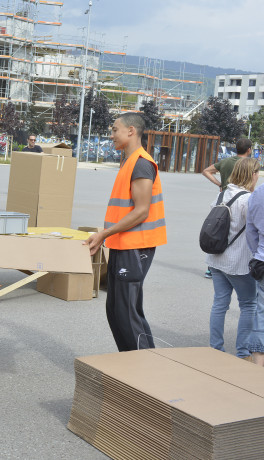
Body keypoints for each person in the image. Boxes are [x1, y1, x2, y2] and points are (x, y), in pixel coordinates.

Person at [85, 113, 167, 352]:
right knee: (116, 311)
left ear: (131, 131)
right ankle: (131, 366)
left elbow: (141, 212)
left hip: (135, 246)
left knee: (126, 312)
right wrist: (107, 235)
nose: (111, 135)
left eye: (114, 130)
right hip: (123, 244)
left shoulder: (141, 163)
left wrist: (103, 234)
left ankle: (143, 367)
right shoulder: (129, 162)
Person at [205, 157, 259, 359]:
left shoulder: (223, 194)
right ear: (252, 175)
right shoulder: (248, 200)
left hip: (216, 259)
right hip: (238, 262)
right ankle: (243, 351)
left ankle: (215, 348)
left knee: (220, 303)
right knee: (248, 304)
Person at [202, 138, 252, 278]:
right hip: (241, 200)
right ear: (249, 150)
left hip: (223, 200)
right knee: (236, 234)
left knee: (218, 231)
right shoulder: (248, 164)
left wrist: (219, 184)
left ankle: (212, 268)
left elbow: (206, 171)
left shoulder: (225, 162)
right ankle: (234, 268)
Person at [246, 180, 264, 367]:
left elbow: (250, 229)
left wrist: (257, 253)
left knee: (263, 313)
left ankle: (258, 365)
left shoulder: (259, 192)